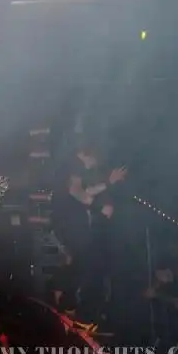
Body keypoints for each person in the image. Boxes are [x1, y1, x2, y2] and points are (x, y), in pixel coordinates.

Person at [51, 142, 127, 331]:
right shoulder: (74, 163)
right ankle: (80, 314)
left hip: (69, 226)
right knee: (91, 265)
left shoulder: (72, 167)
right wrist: (100, 208)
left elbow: (85, 191)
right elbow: (77, 192)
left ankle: (67, 306)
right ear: (89, 153)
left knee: (82, 264)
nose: (96, 164)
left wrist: (108, 183)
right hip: (70, 225)